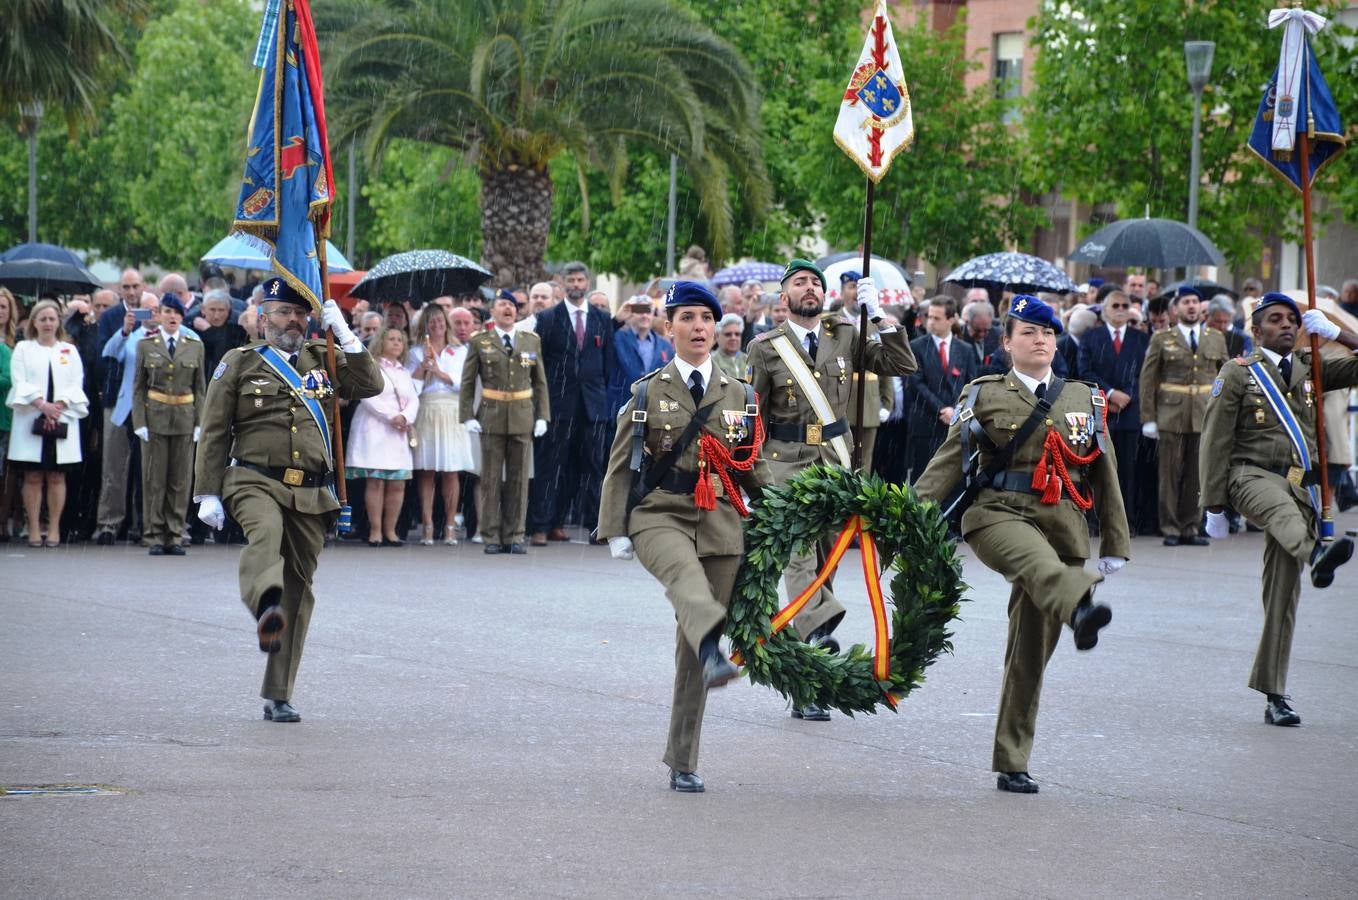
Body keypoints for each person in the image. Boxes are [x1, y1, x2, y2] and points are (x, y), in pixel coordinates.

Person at [914, 294, 1129, 794]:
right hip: (998, 515)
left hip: (1065, 525)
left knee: (1028, 654)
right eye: (1029, 333)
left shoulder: (1084, 398)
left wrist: (1115, 541)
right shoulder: (983, 393)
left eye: (1048, 333)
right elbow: (946, 465)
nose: (1041, 340)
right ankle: (1079, 603)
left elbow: (1105, 473)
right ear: (1006, 342)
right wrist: (903, 520)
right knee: (1035, 562)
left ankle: (1012, 761)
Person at [598, 281, 769, 793]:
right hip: (660, 512)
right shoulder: (649, 390)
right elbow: (621, 462)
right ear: (669, 327)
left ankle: (683, 759)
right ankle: (713, 640)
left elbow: (751, 467)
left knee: (695, 650)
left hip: (719, 517)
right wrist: (615, 528)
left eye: (706, 319)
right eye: (688, 318)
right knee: (686, 581)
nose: (699, 327)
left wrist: (782, 510)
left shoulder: (739, 393)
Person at [193, 277, 382, 723]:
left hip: (313, 490)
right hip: (254, 479)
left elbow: (370, 384)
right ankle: (263, 603)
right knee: (265, 533)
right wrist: (207, 492)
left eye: (300, 313)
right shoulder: (240, 362)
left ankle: (278, 692)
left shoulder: (324, 356)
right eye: (282, 312)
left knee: (300, 589)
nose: (292, 320)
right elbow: (215, 428)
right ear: (263, 318)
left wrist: (350, 337)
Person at [745, 260, 917, 721]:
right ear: (784, 297)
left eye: (816, 283)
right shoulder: (765, 348)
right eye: (800, 282)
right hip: (785, 463)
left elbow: (903, 363)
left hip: (835, 464)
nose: (810, 288)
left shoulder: (846, 334)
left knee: (825, 565)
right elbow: (750, 415)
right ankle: (821, 624)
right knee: (799, 556)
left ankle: (809, 685)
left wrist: (877, 316)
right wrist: (749, 475)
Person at [1200, 295, 1358, 728]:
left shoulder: (1313, 366)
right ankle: (1318, 556)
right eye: (1275, 319)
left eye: (1292, 319)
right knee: (1282, 516)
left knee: (1283, 596)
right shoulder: (1238, 373)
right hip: (1250, 476)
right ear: (1257, 331)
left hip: (1298, 483)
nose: (1286, 325)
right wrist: (1213, 504)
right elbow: (1214, 439)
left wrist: (1338, 333)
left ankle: (1274, 693)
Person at [529, 260, 613, 545]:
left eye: (580, 280)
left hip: (593, 407)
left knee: (593, 469)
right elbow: (537, 364)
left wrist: (604, 404)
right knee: (551, 467)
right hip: (558, 404)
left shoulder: (602, 319)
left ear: (588, 283)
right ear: (562, 283)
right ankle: (542, 525)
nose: (576, 285)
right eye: (571, 280)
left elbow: (608, 364)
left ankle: (595, 527)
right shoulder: (549, 318)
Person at [1139, 286, 1228, 546]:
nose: (1191, 306)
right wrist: (1149, 417)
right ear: (1176, 309)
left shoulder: (1215, 338)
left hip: (1203, 413)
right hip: (1170, 413)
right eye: (1186, 302)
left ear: (1201, 308)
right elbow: (1148, 378)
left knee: (1197, 475)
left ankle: (1190, 526)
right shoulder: (1162, 338)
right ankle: (1170, 528)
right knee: (1169, 475)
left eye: (1195, 302)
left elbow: (1226, 376)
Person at [461, 295, 550, 554]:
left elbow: (540, 381)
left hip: (522, 415)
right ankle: (491, 535)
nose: (508, 308)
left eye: (512, 305)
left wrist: (543, 415)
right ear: (493, 312)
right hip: (491, 414)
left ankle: (514, 536)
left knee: (519, 479)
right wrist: (467, 415)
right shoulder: (480, 341)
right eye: (503, 305)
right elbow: (468, 382)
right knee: (490, 478)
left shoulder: (530, 340)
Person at [5, 299, 91, 548]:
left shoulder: (69, 350)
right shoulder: (23, 348)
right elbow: (18, 380)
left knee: (56, 475)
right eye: (42, 319)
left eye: (52, 319)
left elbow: (77, 381)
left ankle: (53, 528)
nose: (47, 323)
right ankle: (33, 528)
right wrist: (42, 405)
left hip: (62, 416)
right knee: (32, 475)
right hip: (32, 415)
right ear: (34, 322)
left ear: (58, 322)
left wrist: (59, 405)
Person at [131, 294, 205, 555]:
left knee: (180, 480)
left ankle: (174, 534)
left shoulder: (194, 345)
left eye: (177, 313)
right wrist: (139, 421)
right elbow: (138, 388)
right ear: (159, 315)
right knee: (154, 479)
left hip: (184, 418)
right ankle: (154, 536)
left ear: (182, 317)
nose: (172, 317)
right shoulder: (146, 345)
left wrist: (199, 422)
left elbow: (200, 388)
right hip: (155, 419)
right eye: (167, 312)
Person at [1079, 287, 1149, 533]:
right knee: (1100, 470)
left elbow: (1144, 373)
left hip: (1129, 414)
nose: (1120, 310)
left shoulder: (1140, 338)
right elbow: (1085, 371)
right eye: (1115, 306)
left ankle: (1124, 522)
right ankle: (1098, 520)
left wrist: (1127, 395)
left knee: (1127, 472)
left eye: (1124, 306)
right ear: (1105, 310)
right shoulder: (1092, 337)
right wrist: (1110, 393)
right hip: (1101, 412)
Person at [408, 304, 475, 546]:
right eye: (431, 322)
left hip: (451, 410)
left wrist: (438, 371)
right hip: (427, 408)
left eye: (439, 321)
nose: (436, 326)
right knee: (426, 470)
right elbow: (411, 388)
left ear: (446, 323)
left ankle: (449, 526)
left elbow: (462, 384)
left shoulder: (460, 351)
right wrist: (422, 368)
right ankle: (428, 525)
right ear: (425, 325)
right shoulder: (416, 351)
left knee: (451, 470)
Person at [346, 327, 420, 546]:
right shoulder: (371, 366)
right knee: (376, 481)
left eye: (400, 340)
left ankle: (391, 531)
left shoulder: (404, 371)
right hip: (375, 429)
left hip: (397, 432)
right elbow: (367, 395)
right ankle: (375, 531)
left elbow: (414, 398)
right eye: (392, 339)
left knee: (397, 483)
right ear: (381, 342)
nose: (397, 343)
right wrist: (391, 416)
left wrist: (406, 417)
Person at [906, 297, 977, 482]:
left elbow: (972, 384)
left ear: (951, 320)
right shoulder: (917, 346)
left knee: (953, 479)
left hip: (956, 425)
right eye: (929, 317)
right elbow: (916, 384)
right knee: (923, 477)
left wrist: (956, 411)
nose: (930, 322)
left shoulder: (965, 349)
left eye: (937, 318)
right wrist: (941, 410)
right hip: (926, 423)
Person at [608, 296, 673, 414]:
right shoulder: (617, 338)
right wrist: (616, 320)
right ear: (630, 314)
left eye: (648, 311)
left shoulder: (665, 346)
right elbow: (599, 342)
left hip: (654, 411)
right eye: (639, 311)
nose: (644, 315)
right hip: (622, 408)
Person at [0, 288, 16, 540]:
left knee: (8, 474)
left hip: (10, 414)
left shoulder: (20, 339)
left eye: (3, 306)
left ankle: (4, 521)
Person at [713, 313, 747, 383]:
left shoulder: (748, 360)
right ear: (717, 336)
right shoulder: (711, 362)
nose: (733, 338)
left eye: (737, 334)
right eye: (728, 334)